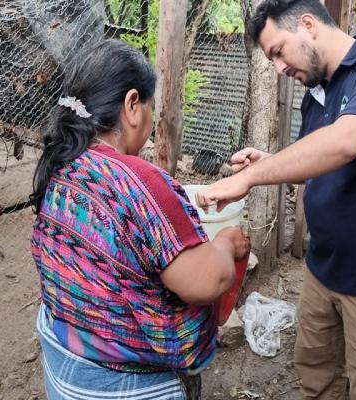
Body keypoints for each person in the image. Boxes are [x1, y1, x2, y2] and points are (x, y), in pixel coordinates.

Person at [196, 1, 356, 398]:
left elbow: (344, 143)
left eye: (278, 51)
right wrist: (269, 161)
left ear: (308, 25)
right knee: (316, 375)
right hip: (326, 267)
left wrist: (249, 178)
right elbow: (319, 161)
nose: (280, 68)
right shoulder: (317, 94)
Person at [29, 39, 249, 400]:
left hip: (63, 360)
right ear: (133, 105)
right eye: (151, 107)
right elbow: (208, 282)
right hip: (120, 384)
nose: (151, 117)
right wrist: (226, 243)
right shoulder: (141, 181)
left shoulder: (62, 163)